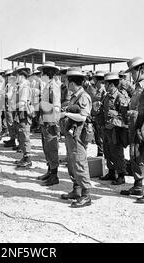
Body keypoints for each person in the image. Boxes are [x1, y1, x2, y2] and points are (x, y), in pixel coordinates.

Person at [120, 57, 144, 204]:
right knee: (135, 156)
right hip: (136, 125)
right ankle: (138, 186)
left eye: (133, 72)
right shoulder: (138, 87)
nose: (131, 75)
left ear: (141, 71)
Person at [59, 67, 93, 208]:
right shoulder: (74, 96)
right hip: (71, 134)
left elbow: (83, 117)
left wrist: (66, 115)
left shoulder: (83, 96)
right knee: (72, 162)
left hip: (78, 134)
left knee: (79, 162)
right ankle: (76, 190)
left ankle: (86, 195)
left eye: (67, 81)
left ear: (73, 83)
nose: (66, 84)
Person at [99, 72, 129, 185]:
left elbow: (124, 116)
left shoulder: (121, 97)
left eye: (105, 83)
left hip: (116, 129)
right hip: (106, 129)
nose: (104, 86)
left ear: (111, 84)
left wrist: (114, 122)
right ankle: (111, 172)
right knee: (107, 150)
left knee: (117, 152)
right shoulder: (106, 96)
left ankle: (121, 175)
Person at [36, 61, 61, 186]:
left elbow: (56, 106)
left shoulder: (53, 86)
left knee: (52, 148)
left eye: (43, 73)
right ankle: (50, 170)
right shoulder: (46, 86)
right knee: (46, 147)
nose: (41, 75)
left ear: (48, 73)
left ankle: (54, 175)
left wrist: (53, 122)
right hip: (45, 119)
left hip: (50, 120)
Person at [12, 66, 33, 168]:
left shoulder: (25, 87)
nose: (15, 77)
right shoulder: (20, 86)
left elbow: (22, 102)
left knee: (24, 135)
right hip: (20, 113)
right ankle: (25, 157)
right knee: (21, 134)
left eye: (16, 75)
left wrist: (12, 106)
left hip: (24, 113)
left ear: (21, 76)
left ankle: (28, 158)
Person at [87, 71, 107, 156]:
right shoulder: (91, 89)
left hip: (102, 117)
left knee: (102, 136)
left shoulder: (104, 91)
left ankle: (103, 153)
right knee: (97, 136)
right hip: (95, 116)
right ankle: (100, 152)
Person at [3, 69, 18, 148]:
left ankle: (15, 140)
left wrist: (3, 95)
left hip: (12, 106)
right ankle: (12, 139)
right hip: (9, 105)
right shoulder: (8, 84)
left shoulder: (12, 84)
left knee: (12, 123)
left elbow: (9, 95)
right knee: (10, 123)